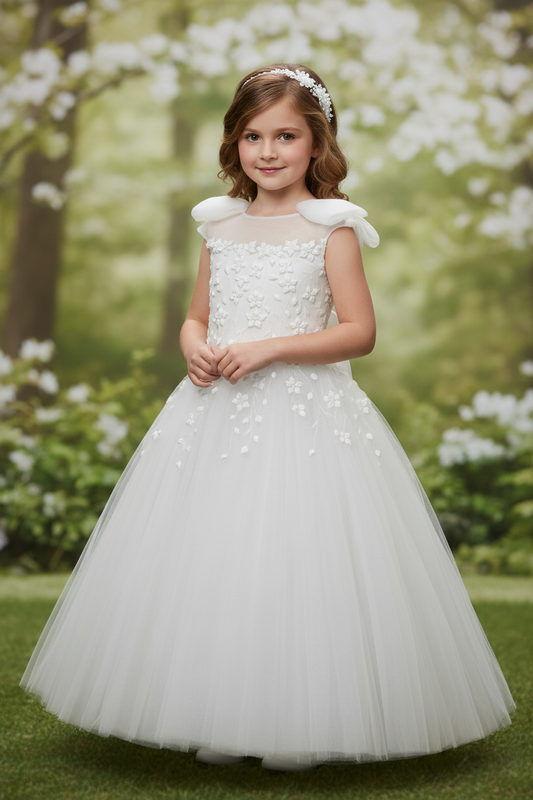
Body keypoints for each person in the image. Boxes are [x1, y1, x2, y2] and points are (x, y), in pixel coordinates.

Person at [21, 64, 514, 773]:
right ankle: (217, 710)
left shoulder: (331, 227)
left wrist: (273, 348)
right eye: (253, 136)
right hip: (214, 414)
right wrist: (194, 349)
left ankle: (297, 721)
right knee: (212, 560)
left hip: (305, 419)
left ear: (317, 143)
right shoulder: (218, 224)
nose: (269, 151)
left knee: (295, 560)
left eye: (286, 135)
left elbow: (358, 331)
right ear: (233, 143)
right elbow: (197, 316)